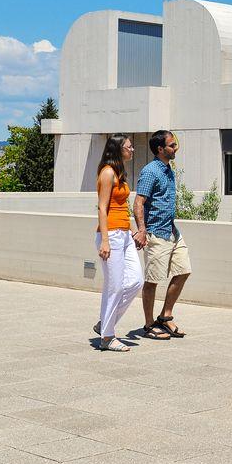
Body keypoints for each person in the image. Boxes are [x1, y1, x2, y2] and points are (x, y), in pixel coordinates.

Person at [133, 130, 190, 340]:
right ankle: (149, 325)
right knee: (152, 280)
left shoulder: (168, 169)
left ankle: (165, 317)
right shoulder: (150, 171)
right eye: (172, 145)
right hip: (156, 233)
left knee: (184, 270)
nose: (175, 148)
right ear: (160, 149)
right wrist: (141, 230)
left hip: (172, 231)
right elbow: (138, 203)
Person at [92, 133, 143, 352]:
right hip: (110, 235)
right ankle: (107, 337)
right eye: (129, 147)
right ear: (117, 149)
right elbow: (103, 208)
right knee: (114, 286)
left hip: (123, 233)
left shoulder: (120, 173)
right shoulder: (107, 172)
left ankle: (105, 323)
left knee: (135, 281)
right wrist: (104, 240)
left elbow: (120, 207)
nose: (132, 150)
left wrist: (131, 231)